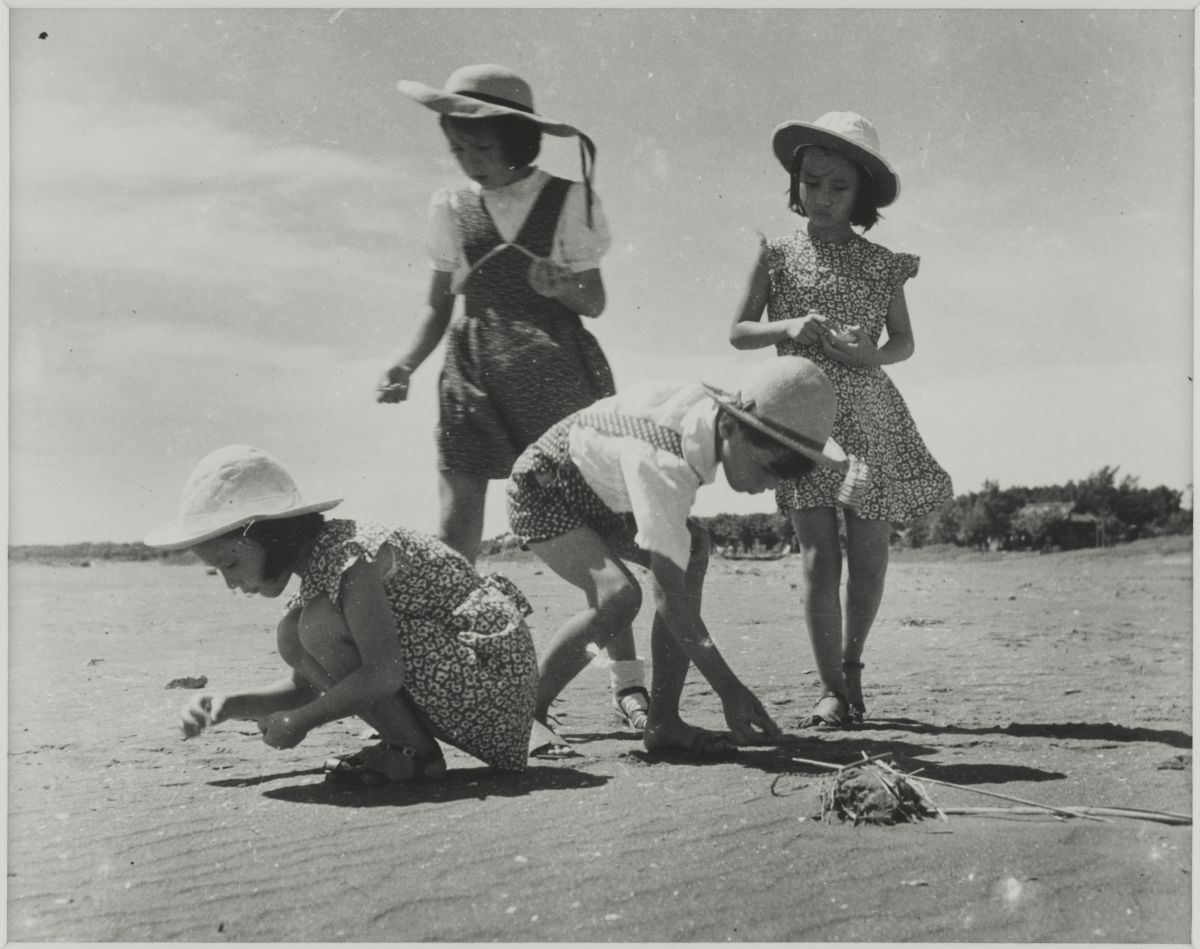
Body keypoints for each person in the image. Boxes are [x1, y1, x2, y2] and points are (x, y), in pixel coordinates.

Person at [379, 64, 649, 734]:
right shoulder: (450, 208)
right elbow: (438, 304)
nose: (468, 160)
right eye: (457, 148)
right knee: (455, 527)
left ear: (517, 142)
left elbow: (596, 300)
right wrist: (404, 363)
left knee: (599, 523)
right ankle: (438, 674)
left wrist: (561, 286)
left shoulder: (567, 199)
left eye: (481, 148)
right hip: (471, 369)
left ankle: (628, 682)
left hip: (555, 368)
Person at [506, 356, 868, 758]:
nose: (770, 486)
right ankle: (526, 714)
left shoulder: (705, 422)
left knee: (693, 546)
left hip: (602, 493)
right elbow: (669, 596)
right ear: (731, 426)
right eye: (769, 469)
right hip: (544, 491)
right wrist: (730, 690)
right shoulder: (665, 460)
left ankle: (663, 721)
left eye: (784, 476)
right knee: (620, 597)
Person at [729, 111, 953, 728]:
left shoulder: (882, 263)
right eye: (811, 183)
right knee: (818, 557)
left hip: (869, 418)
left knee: (871, 555)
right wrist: (787, 326)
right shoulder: (775, 255)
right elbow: (739, 332)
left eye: (838, 188)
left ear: (861, 196)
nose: (822, 198)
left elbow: (904, 342)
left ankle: (852, 669)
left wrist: (870, 354)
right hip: (799, 423)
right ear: (795, 185)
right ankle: (829, 688)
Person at [144, 444, 539, 786]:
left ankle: (415, 755)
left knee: (315, 626)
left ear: (268, 535)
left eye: (230, 562)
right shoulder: (323, 567)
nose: (231, 583)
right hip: (471, 688)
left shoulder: (349, 559)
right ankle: (406, 746)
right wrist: (229, 704)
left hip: (492, 684)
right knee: (293, 632)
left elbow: (383, 673)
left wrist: (302, 722)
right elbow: (307, 687)